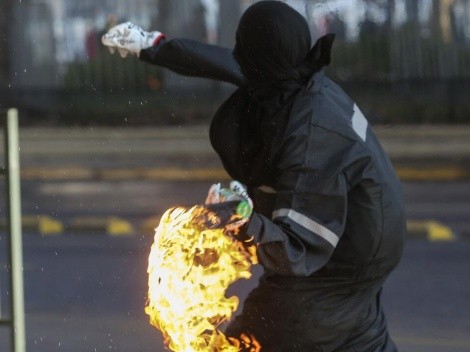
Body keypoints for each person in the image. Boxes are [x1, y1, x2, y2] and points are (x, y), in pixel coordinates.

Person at [102, 2, 405, 351]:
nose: (239, 57)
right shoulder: (295, 74)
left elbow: (298, 249)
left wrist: (242, 220)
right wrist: (153, 45)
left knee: (258, 335)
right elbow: (225, 62)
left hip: (344, 261)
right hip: (369, 239)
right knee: (360, 339)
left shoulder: (309, 136)